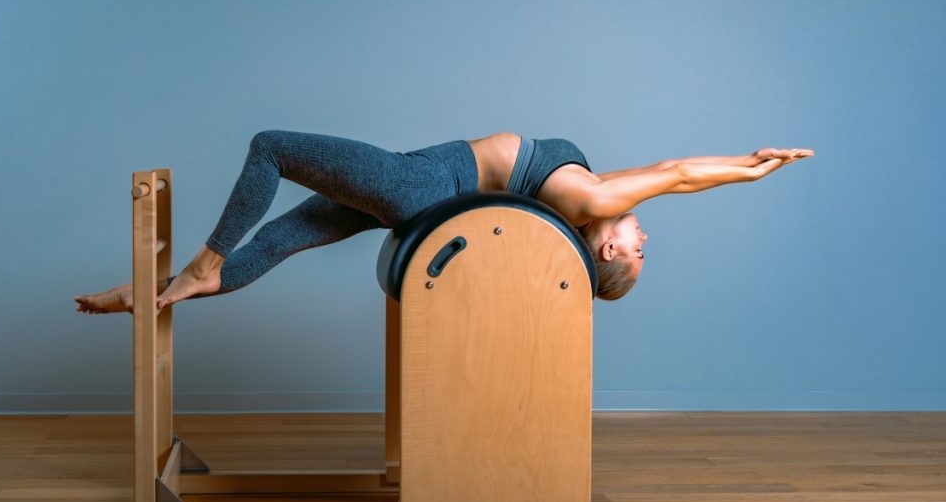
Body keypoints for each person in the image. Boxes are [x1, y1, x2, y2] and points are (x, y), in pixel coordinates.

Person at [73, 130, 813, 313]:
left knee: (271, 148)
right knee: (288, 236)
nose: (645, 235)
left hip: (423, 182)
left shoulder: (593, 203)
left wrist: (755, 165)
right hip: (427, 192)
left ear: (608, 247)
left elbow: (681, 174)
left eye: (639, 251)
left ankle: (205, 261)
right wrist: (751, 165)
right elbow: (676, 167)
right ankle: (152, 294)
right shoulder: (597, 197)